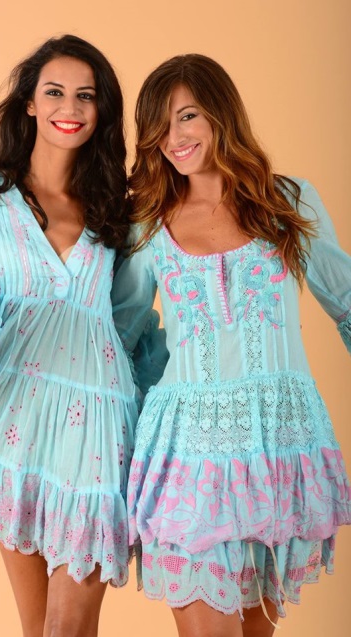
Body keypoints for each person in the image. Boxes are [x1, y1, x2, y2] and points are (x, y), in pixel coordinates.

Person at [111, 54, 351, 637]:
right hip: (187, 456)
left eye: (187, 116)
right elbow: (119, 334)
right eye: (160, 126)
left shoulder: (289, 201)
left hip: (278, 449)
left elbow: (346, 300)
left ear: (221, 113)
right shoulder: (149, 223)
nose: (174, 138)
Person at [0, 35, 138, 637]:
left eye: (86, 96)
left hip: (98, 429)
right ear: (28, 103)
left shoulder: (118, 210)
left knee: (68, 627)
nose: (69, 107)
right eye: (54, 92)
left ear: (101, 110)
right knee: (40, 629)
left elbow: (128, 322)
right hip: (14, 428)